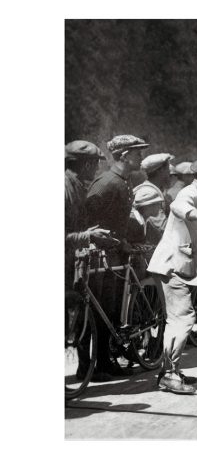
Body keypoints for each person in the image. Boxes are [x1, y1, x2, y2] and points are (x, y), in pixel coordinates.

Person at [148, 155, 197, 394]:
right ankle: (169, 375)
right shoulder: (189, 193)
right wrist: (194, 214)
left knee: (178, 319)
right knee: (182, 319)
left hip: (183, 266)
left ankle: (169, 370)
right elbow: (178, 206)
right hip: (173, 265)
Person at [85, 134, 150, 380]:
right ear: (124, 156)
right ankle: (89, 366)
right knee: (96, 310)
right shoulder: (107, 183)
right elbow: (88, 217)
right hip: (99, 256)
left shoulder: (122, 182)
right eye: (137, 153)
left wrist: (123, 241)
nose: (140, 157)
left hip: (114, 254)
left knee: (110, 311)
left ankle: (105, 361)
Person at [65, 141, 119, 381]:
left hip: (70, 260)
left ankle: (85, 367)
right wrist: (88, 236)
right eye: (95, 163)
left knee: (80, 311)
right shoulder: (64, 188)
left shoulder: (77, 186)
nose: (96, 169)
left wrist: (92, 233)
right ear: (86, 163)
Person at [134, 152, 174, 240]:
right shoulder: (148, 193)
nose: (169, 173)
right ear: (160, 170)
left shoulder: (156, 190)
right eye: (168, 169)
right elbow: (161, 227)